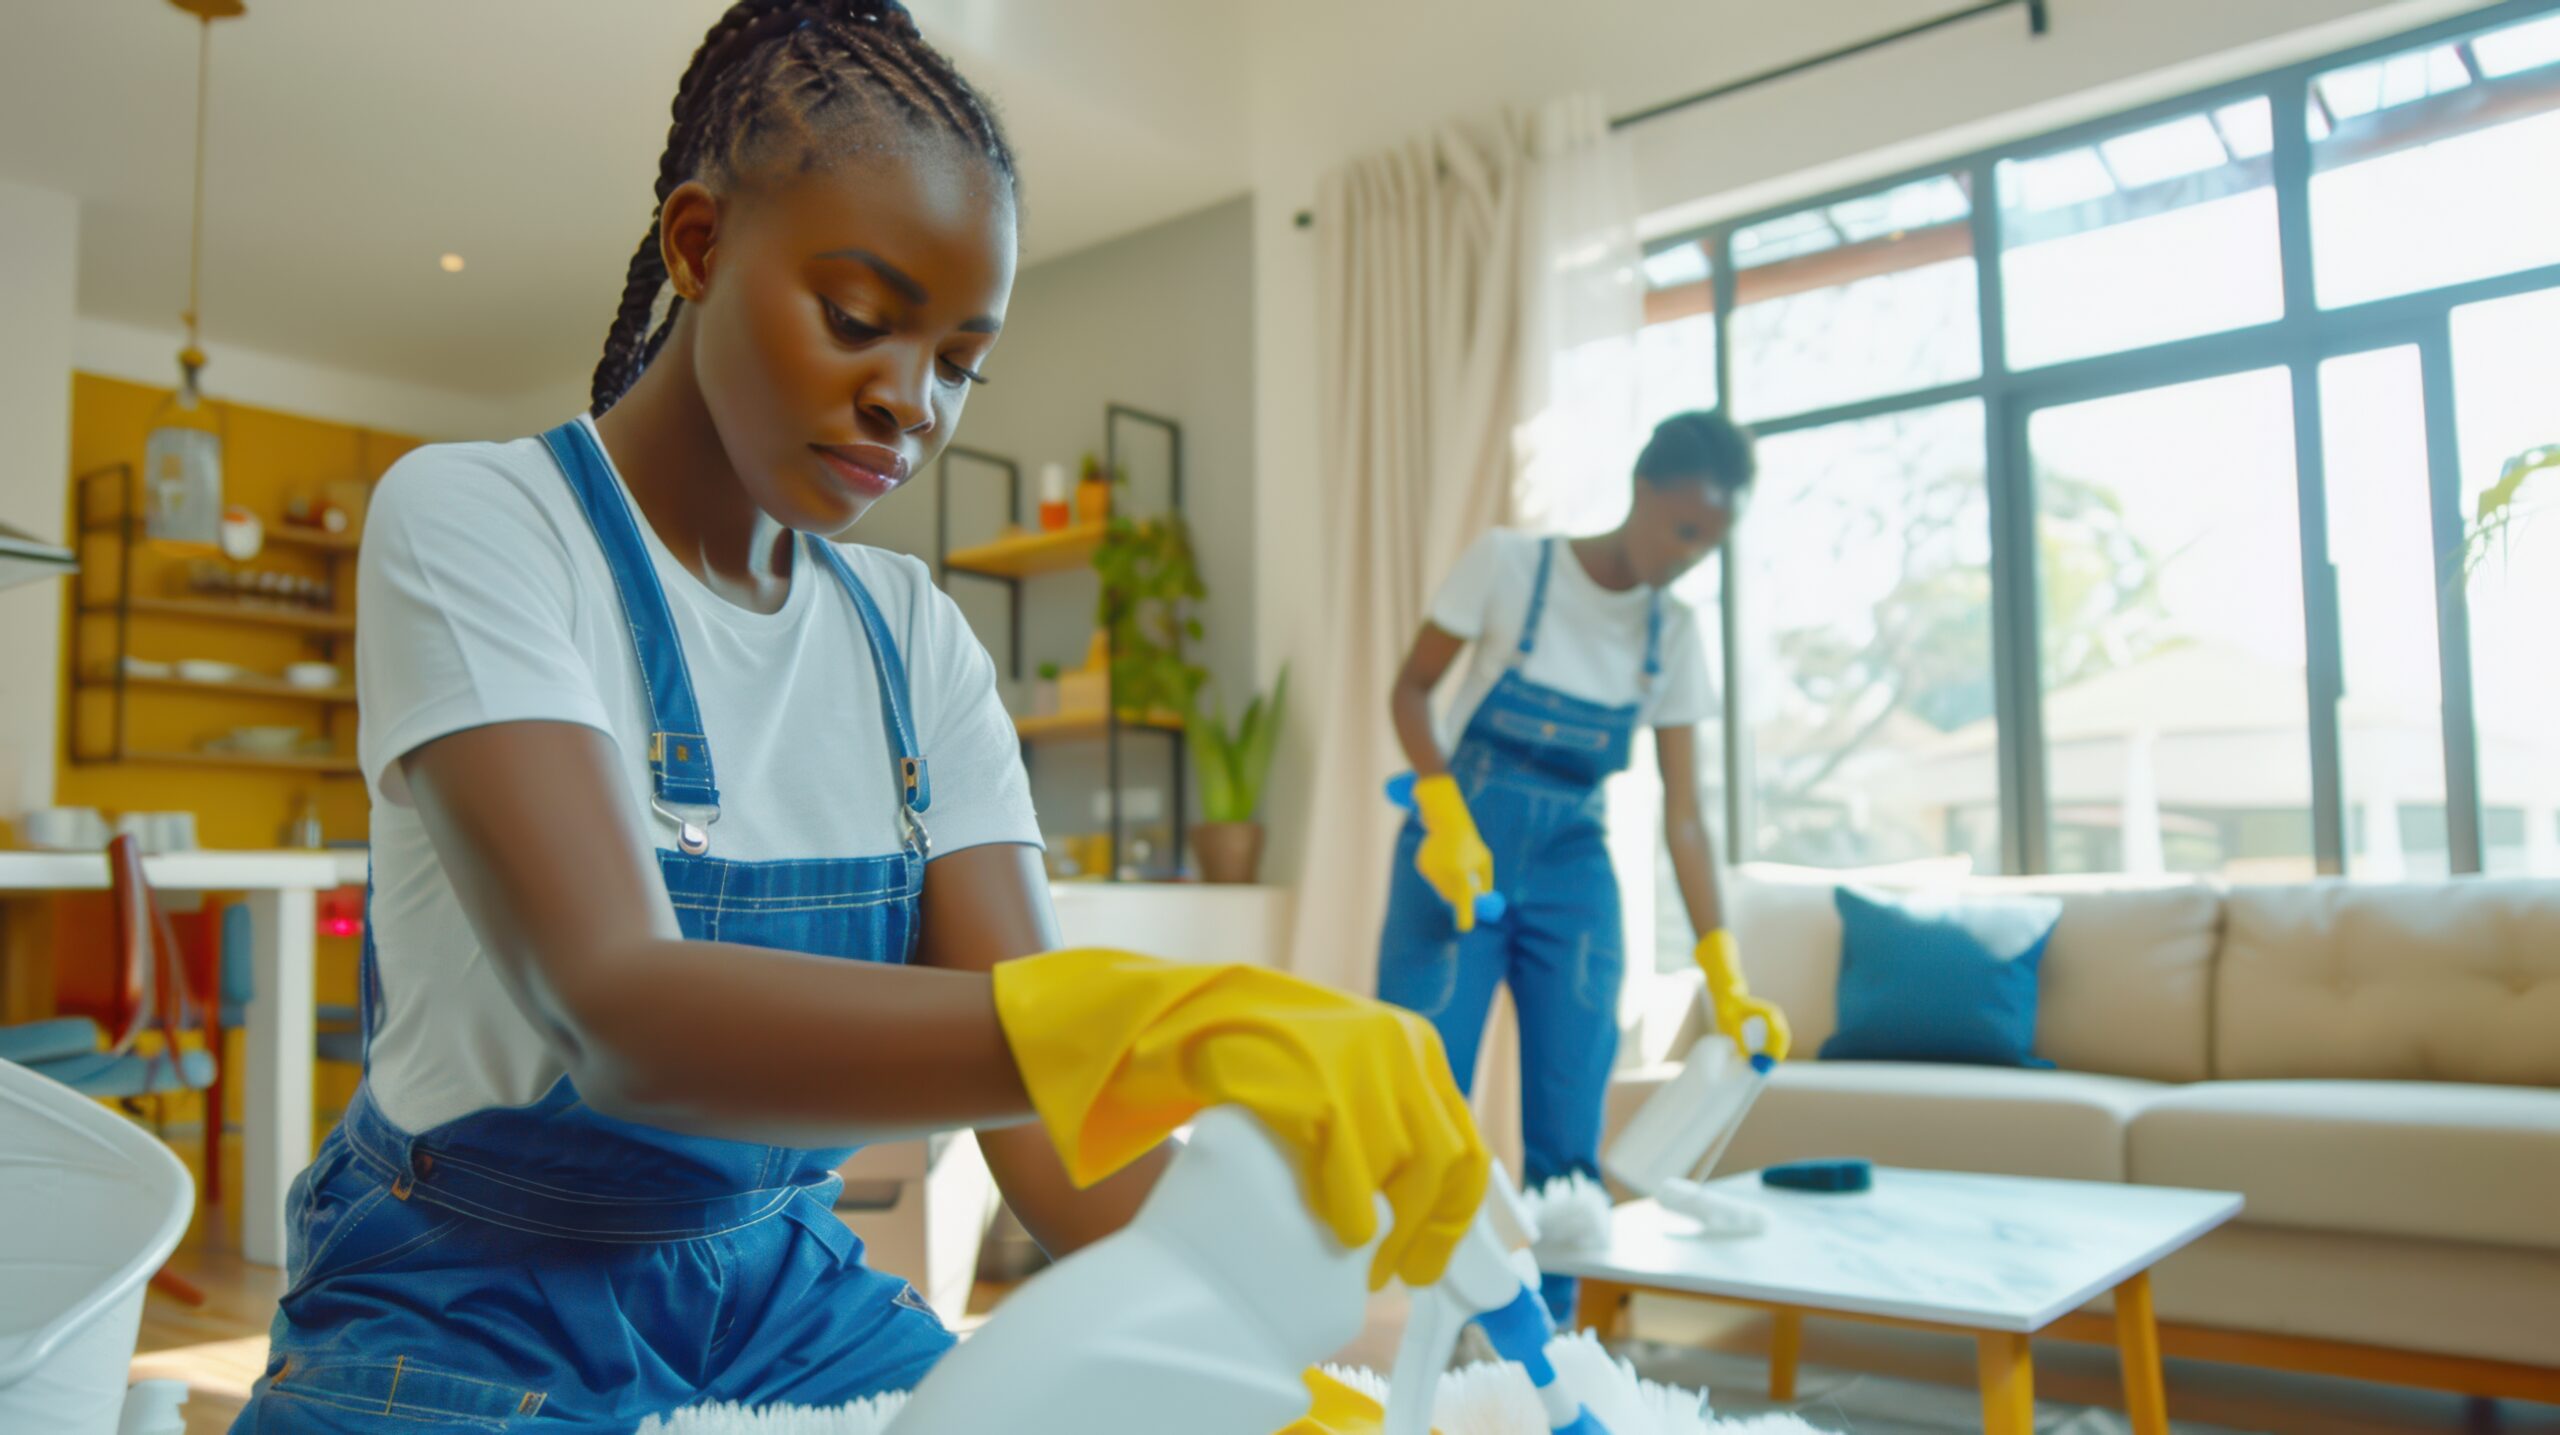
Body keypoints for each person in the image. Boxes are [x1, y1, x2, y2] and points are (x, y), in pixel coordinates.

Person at [235, 4, 1483, 1429]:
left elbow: (1051, 1144)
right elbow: (621, 1010)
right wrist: (1158, 1017)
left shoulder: (912, 639)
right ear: (699, 247)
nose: (910, 403)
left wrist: (1272, 1332)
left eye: (962, 360)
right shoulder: (480, 522)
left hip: (784, 1300)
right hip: (470, 1289)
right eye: (860, 320)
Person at [1374, 410, 1786, 1320]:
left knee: (1569, 1115)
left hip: (1573, 861)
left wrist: (1722, 964)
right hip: (1457, 855)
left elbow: (1684, 812)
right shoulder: (1511, 566)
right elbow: (1411, 687)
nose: (1690, 556)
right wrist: (1440, 808)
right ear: (1643, 490)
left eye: (1710, 543)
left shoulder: (1672, 633)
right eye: (1684, 529)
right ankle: (1424, 1328)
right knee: (1419, 1093)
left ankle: (1547, 1343)